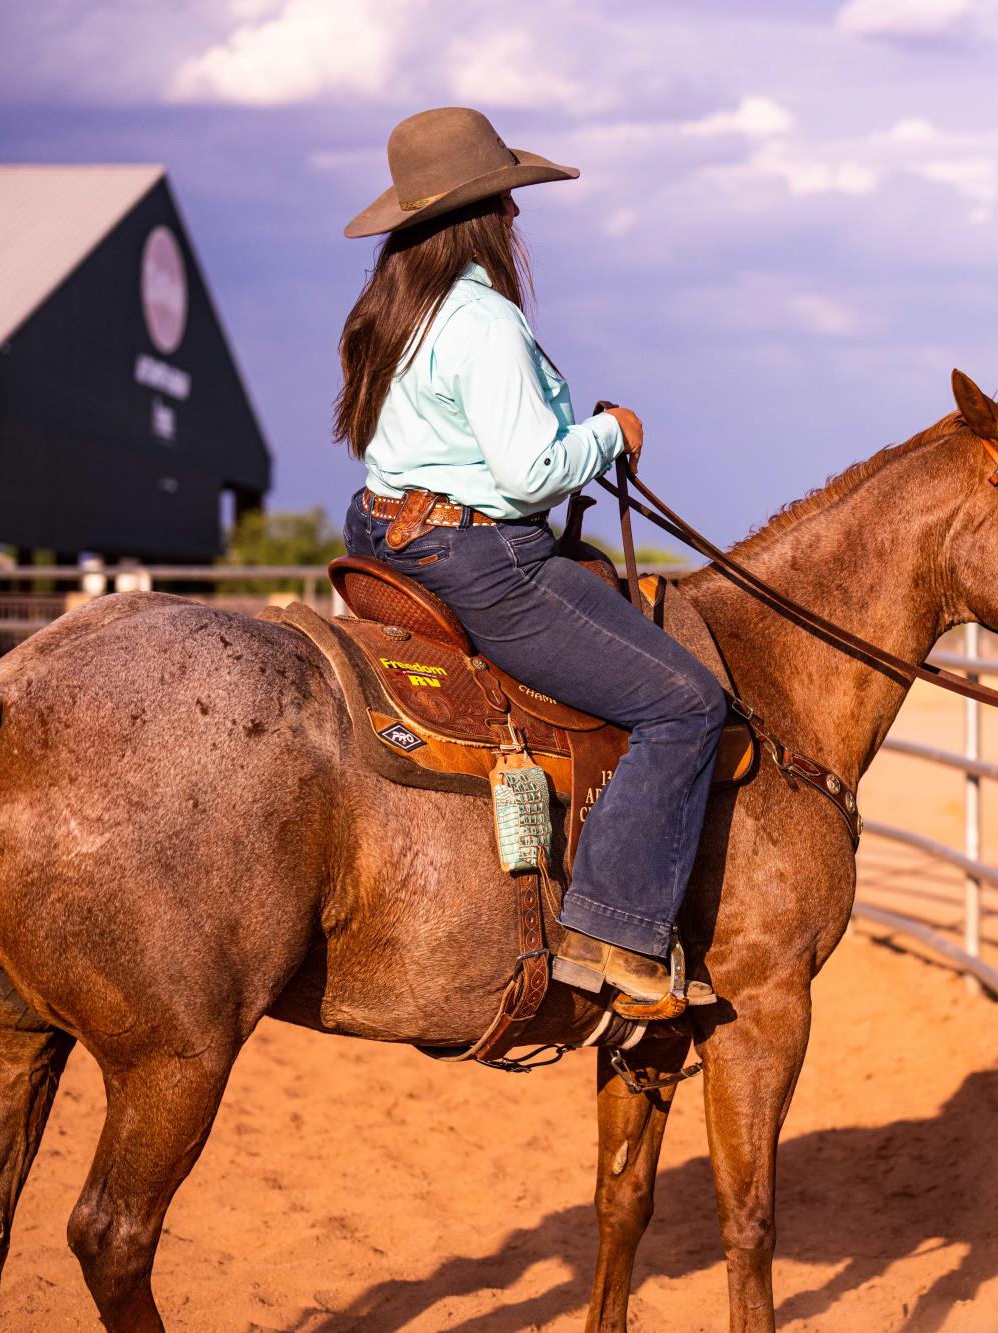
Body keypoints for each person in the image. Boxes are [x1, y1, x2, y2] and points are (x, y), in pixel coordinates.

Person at [335, 107, 725, 1007]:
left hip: (386, 536)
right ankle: (616, 937)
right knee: (685, 702)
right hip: (480, 558)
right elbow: (528, 475)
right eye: (506, 200)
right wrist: (609, 434)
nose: (516, 217)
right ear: (482, 214)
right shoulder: (483, 318)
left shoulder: (394, 309)